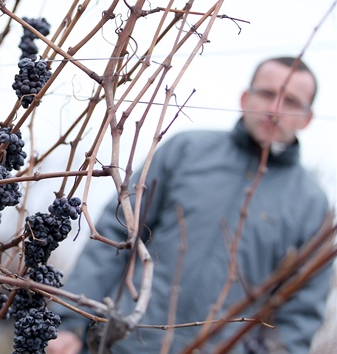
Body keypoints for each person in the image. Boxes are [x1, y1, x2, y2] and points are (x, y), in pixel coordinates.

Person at [47, 57, 332, 354]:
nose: (274, 110)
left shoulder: (313, 206)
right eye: (267, 94)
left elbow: (302, 310)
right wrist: (70, 321)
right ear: (246, 97)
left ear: (307, 118)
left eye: (291, 101)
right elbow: (115, 234)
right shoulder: (185, 151)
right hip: (119, 343)